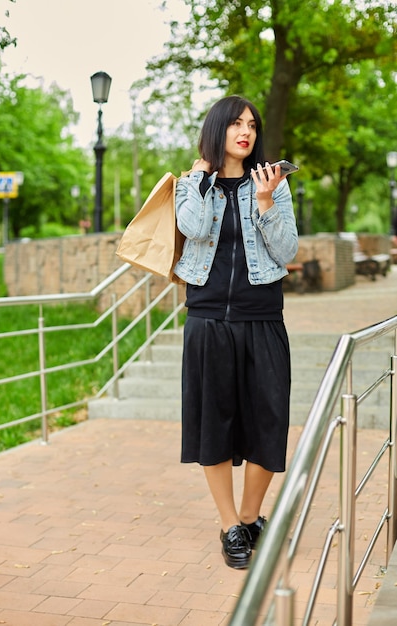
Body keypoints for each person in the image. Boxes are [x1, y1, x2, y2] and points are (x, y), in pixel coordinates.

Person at [173, 95, 299, 569]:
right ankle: (230, 526)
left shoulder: (275, 184)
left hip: (262, 315)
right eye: (236, 124)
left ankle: (249, 517)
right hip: (207, 320)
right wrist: (203, 180)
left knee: (270, 418)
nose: (245, 131)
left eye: (252, 125)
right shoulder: (192, 182)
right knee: (214, 422)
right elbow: (192, 227)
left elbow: (286, 248)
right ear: (218, 129)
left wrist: (265, 201)